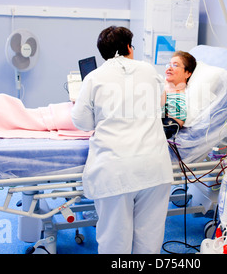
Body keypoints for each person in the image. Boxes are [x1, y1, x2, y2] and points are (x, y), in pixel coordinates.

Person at [71, 26, 173, 254]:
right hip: (154, 168)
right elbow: (159, 104)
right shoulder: (149, 70)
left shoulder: (94, 78)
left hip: (115, 170)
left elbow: (82, 122)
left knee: (115, 241)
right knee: (149, 238)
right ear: (128, 47)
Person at [162, 51, 197, 138]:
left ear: (187, 73)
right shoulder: (160, 84)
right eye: (169, 65)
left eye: (175, 65)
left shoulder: (181, 98)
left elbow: (169, 127)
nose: (169, 68)